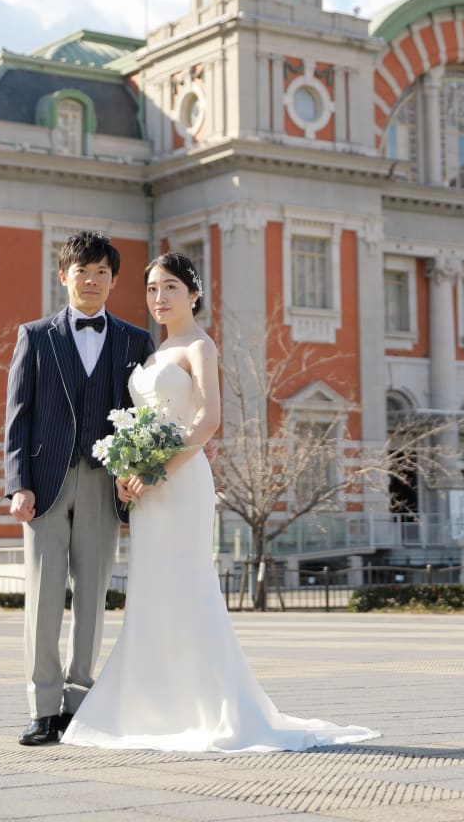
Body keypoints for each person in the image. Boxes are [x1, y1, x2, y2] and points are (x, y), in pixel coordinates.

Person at [62, 252, 379, 753]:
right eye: (151, 289)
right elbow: (138, 422)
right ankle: (155, 707)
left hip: (181, 483)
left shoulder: (200, 346)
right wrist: (126, 470)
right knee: (151, 590)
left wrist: (156, 471)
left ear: (193, 294)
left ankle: (212, 708)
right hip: (148, 491)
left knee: (188, 585)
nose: (159, 297)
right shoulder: (152, 353)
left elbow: (208, 420)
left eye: (170, 287)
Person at [5, 231, 155, 747]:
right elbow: (18, 417)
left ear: (113, 281)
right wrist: (18, 485)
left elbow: (144, 417)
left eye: (101, 273)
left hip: (104, 484)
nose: (91, 280)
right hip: (44, 486)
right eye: (82, 272)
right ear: (63, 276)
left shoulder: (136, 341)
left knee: (92, 598)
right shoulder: (35, 336)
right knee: (43, 599)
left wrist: (136, 472)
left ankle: (78, 703)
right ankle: (43, 708)